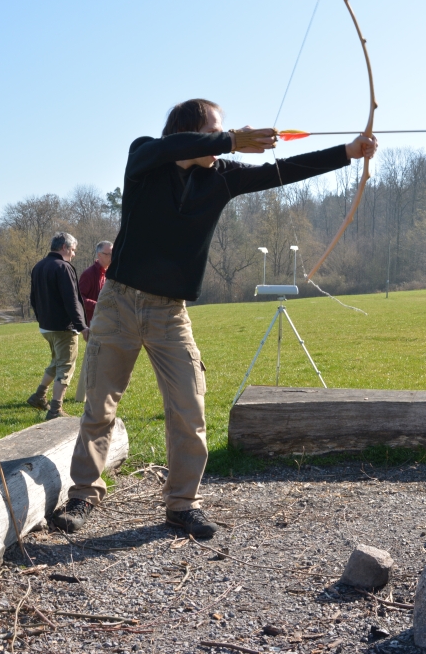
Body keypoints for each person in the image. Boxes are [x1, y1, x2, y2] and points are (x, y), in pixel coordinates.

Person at [51, 98, 376, 537]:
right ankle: (83, 496)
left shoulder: (221, 177)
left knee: (189, 407)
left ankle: (182, 504)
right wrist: (231, 140)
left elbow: (282, 172)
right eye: (214, 132)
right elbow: (168, 148)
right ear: (189, 132)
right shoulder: (145, 157)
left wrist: (347, 153)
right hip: (119, 304)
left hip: (170, 313)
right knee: (99, 407)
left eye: (223, 134)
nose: (222, 141)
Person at [26, 232, 88, 420]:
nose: (74, 254)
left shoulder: (39, 266)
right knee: (65, 366)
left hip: (46, 327)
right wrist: (82, 326)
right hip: (63, 328)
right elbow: (72, 300)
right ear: (64, 247)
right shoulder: (63, 267)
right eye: (73, 250)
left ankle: (39, 396)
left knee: (56, 362)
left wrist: (41, 319)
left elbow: (33, 299)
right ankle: (55, 410)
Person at [74, 241, 112, 403]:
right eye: (109, 254)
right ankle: (81, 395)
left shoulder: (109, 273)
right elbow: (79, 298)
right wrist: (98, 306)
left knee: (104, 357)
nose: (112, 257)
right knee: (91, 358)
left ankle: (99, 391)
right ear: (99, 255)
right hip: (92, 323)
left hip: (106, 321)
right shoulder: (89, 274)